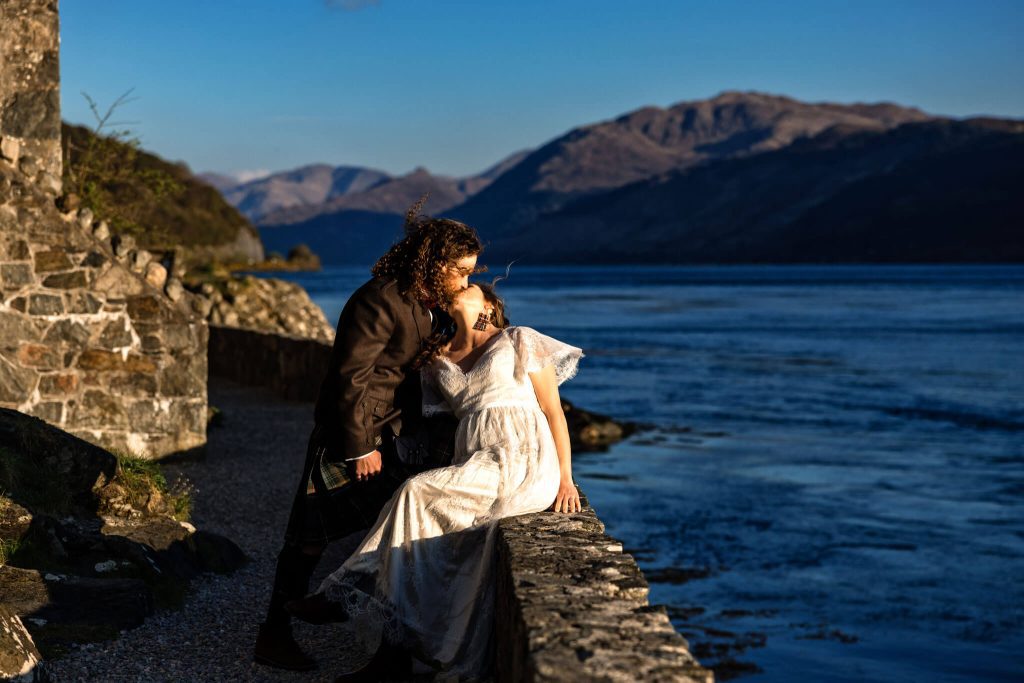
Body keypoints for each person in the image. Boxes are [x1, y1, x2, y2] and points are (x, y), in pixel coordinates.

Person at [286, 281, 584, 680]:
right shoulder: (438, 360)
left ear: (489, 305)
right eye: (458, 281)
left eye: (472, 284)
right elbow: (407, 403)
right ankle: (391, 657)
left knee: (414, 492)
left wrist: (566, 478)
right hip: (474, 460)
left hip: (522, 457)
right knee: (421, 544)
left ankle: (350, 587)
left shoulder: (518, 340)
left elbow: (554, 413)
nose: (463, 285)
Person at [253, 202, 483, 672]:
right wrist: (359, 447)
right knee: (308, 541)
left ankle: (390, 654)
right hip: (350, 439)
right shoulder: (378, 299)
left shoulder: (429, 305)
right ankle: (273, 636)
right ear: (435, 262)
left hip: (400, 441)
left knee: (399, 538)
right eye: (460, 272)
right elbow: (348, 378)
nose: (464, 281)